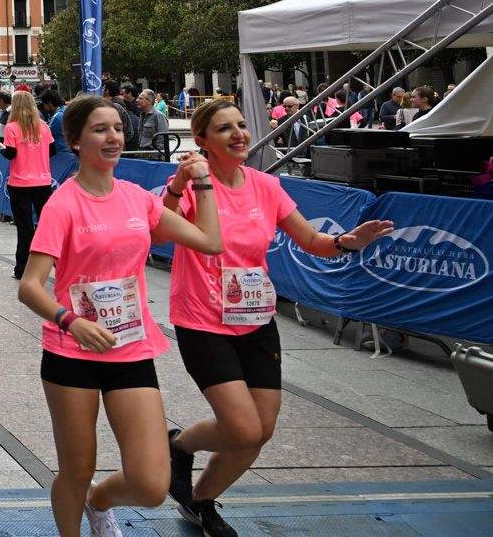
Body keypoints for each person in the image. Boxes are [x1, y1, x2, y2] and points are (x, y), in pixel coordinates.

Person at [164, 99, 394, 536]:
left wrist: (348, 241)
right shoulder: (193, 184)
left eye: (241, 125)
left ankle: (200, 499)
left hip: (255, 317)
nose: (239, 134)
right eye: (224, 128)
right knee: (243, 429)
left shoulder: (266, 186)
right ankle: (177, 445)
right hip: (203, 320)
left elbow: (311, 240)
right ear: (201, 141)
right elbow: (160, 226)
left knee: (261, 430)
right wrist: (179, 184)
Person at [17, 94, 222, 537]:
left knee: (152, 484)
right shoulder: (63, 204)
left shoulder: (137, 199)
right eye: (100, 129)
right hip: (72, 353)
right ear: (75, 141)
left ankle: (99, 500)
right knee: (76, 468)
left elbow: (209, 241)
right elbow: (29, 286)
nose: (113, 137)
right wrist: (71, 320)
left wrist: (200, 182)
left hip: (130, 349)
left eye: (117, 128)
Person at [2, 90, 58, 280]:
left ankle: (22, 269)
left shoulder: (12, 128)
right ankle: (61, 266)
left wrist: (1, 149)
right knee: (49, 227)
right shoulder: (44, 127)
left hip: (20, 183)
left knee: (24, 228)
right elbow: (52, 151)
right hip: (43, 182)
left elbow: (10, 154)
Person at [135, 89, 170, 155]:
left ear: (149, 101)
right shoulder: (142, 115)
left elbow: (162, 140)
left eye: (140, 98)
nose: (137, 100)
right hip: (142, 155)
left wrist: (156, 156)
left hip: (153, 157)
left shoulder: (158, 116)